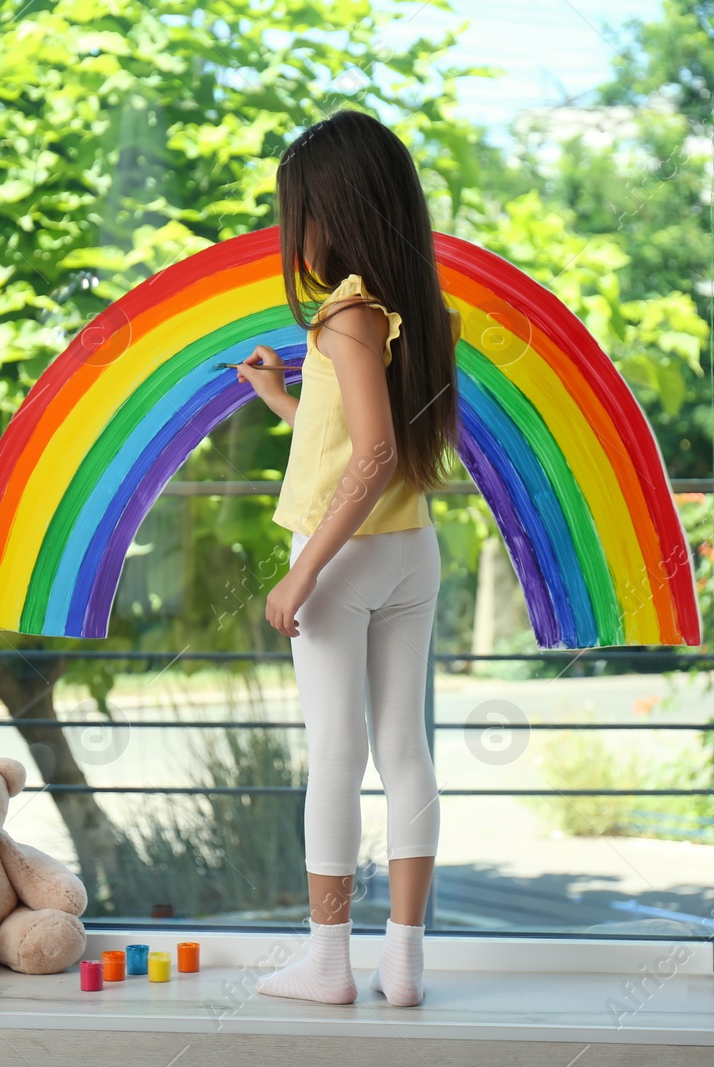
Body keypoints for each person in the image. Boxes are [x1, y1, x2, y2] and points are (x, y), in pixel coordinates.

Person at [235, 109, 461, 1007]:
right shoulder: (408, 308)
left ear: (332, 210)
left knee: (334, 751)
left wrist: (303, 571)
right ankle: (402, 959)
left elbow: (365, 460)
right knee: (404, 747)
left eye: (301, 212)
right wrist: (281, 401)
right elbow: (363, 445)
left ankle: (328, 959)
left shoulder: (344, 311)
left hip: (345, 557)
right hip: (410, 550)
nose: (300, 232)